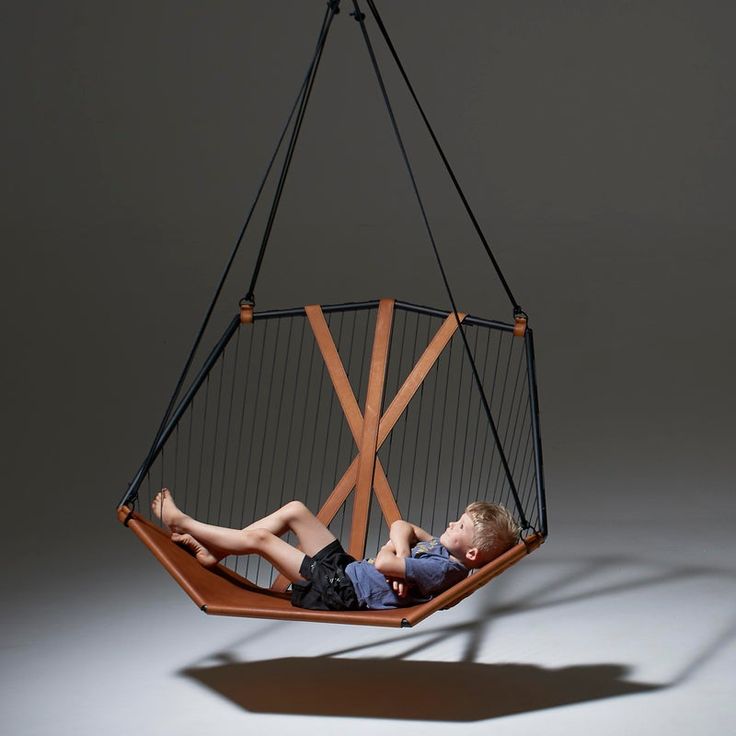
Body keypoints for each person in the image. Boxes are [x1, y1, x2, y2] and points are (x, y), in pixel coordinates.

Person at [152, 489, 520, 611]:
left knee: (264, 542)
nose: (451, 525)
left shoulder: (443, 571)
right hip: (347, 572)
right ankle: (220, 552)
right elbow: (400, 526)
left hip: (341, 589)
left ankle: (184, 522)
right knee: (295, 510)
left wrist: (395, 554)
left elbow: (386, 555)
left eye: (461, 528)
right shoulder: (441, 553)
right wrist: (399, 553)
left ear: (472, 555)